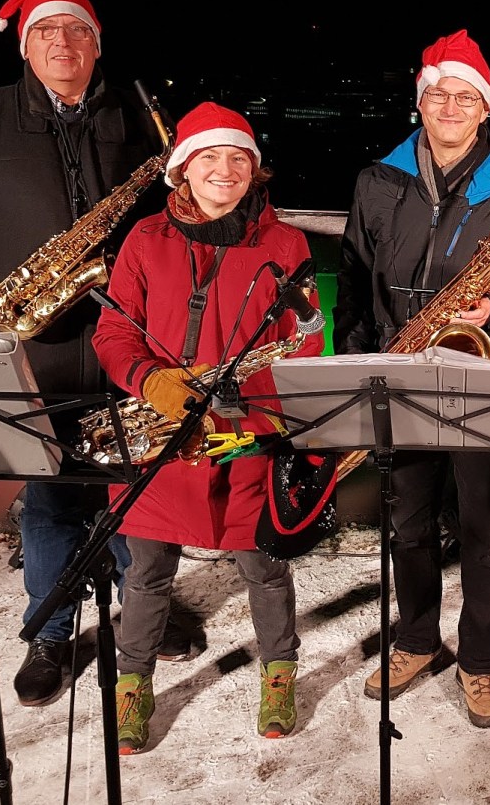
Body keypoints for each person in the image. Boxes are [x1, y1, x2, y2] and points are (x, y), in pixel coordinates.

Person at [0, 0, 174, 707]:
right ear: (25, 44)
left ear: (97, 42)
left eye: (76, 30)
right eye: (45, 32)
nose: (61, 43)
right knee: (50, 498)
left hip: (134, 334)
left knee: (138, 484)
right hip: (35, 344)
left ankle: (145, 610)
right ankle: (51, 629)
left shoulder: (137, 116)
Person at [334, 29, 490, 728]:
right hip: (400, 368)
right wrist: (355, 363)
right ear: (420, 101)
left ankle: (481, 663)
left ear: (484, 108)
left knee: (487, 529)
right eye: (440, 94)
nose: (452, 106)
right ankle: (417, 640)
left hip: (483, 371)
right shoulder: (377, 180)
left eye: (467, 97)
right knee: (407, 523)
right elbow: (351, 277)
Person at [90, 102, 325, 753]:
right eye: (209, 158)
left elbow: (305, 342)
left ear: (255, 171)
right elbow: (114, 333)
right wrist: (150, 382)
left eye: (238, 159)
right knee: (145, 573)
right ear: (182, 171)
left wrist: (268, 410)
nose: (225, 170)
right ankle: (131, 690)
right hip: (160, 431)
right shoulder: (144, 241)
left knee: (266, 566)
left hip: (248, 433)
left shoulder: (286, 244)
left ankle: (279, 671)